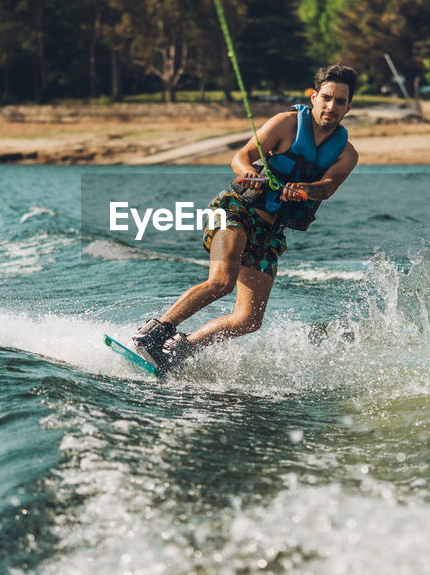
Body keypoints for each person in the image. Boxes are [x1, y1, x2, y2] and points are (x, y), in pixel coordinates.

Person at [128, 63, 361, 374]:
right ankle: (152, 334)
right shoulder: (286, 124)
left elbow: (328, 187)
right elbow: (240, 157)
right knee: (221, 281)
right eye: (327, 98)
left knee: (249, 320)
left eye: (340, 101)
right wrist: (247, 172)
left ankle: (181, 350)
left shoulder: (347, 153)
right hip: (237, 211)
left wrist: (306, 189)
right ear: (314, 96)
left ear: (349, 106)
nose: (332, 107)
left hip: (271, 230)